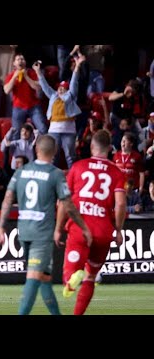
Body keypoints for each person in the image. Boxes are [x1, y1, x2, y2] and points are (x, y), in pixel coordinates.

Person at [0, 135, 92, 315]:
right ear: (55, 152)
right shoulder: (55, 174)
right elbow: (68, 205)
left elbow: (7, 199)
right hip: (42, 235)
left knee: (44, 278)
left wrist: (1, 227)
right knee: (33, 277)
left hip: (23, 232)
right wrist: (84, 228)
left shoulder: (21, 171)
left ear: (36, 149)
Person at [55, 130, 127, 315]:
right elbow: (120, 203)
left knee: (69, 274)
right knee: (91, 276)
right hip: (103, 231)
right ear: (110, 149)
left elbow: (64, 200)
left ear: (92, 146)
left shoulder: (78, 167)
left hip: (80, 228)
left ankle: (71, 278)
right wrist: (118, 230)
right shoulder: (117, 172)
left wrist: (58, 228)